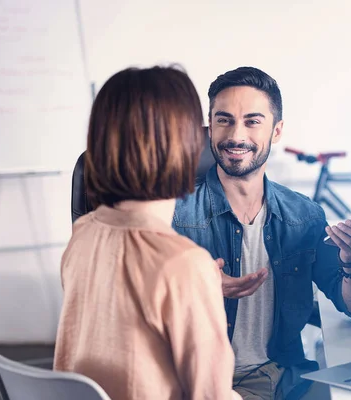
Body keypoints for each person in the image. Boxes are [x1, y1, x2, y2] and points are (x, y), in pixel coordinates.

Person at [173, 66, 351, 399]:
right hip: (197, 383)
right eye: (223, 120)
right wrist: (196, 288)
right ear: (209, 127)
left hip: (276, 377)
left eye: (252, 121)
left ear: (277, 131)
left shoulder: (304, 216)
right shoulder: (174, 214)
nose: (236, 136)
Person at [54, 66, 241, 400]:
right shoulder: (183, 264)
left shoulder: (83, 234)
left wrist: (196, 285)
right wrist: (193, 282)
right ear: (183, 147)